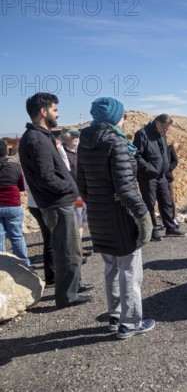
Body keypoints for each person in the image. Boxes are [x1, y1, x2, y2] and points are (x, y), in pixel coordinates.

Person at [77, 97, 155, 339]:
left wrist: (97, 206)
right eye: (123, 115)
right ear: (113, 117)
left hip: (99, 217)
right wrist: (144, 216)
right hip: (120, 216)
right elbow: (126, 188)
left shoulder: (85, 142)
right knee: (130, 270)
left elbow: (82, 183)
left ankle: (115, 315)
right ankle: (130, 323)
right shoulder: (116, 143)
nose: (126, 118)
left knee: (111, 267)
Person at [18, 92, 94, 309]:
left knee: (73, 249)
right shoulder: (36, 139)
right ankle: (67, 296)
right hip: (58, 205)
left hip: (60, 202)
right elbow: (46, 177)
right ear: (44, 111)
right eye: (55, 109)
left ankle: (75, 285)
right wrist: (69, 188)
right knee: (66, 251)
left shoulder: (41, 135)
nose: (57, 114)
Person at [133, 114, 185, 241]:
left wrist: (165, 168)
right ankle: (152, 231)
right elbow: (137, 156)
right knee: (150, 204)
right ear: (157, 123)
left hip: (161, 176)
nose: (166, 130)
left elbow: (163, 154)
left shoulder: (161, 135)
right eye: (165, 128)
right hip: (147, 177)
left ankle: (170, 228)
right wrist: (150, 169)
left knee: (166, 201)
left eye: (168, 128)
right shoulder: (142, 134)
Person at [61, 126, 92, 259]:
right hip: (74, 194)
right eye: (74, 135)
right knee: (78, 219)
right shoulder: (62, 154)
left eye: (78, 135)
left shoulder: (79, 152)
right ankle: (77, 250)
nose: (77, 138)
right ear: (66, 137)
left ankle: (76, 247)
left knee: (82, 217)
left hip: (84, 192)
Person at [0, 140, 30, 266]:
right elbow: (22, 187)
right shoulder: (15, 167)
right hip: (13, 206)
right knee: (17, 236)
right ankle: (24, 265)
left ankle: (3, 267)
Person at [25, 179, 54, 283]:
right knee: (51, 239)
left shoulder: (26, 166)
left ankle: (52, 276)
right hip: (44, 204)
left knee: (49, 239)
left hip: (35, 204)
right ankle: (52, 277)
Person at [166, 142, 179, 226]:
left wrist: (168, 169)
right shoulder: (156, 148)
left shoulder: (170, 148)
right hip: (157, 177)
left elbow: (175, 160)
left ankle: (173, 218)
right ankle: (165, 219)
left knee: (171, 197)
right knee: (161, 199)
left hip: (168, 177)